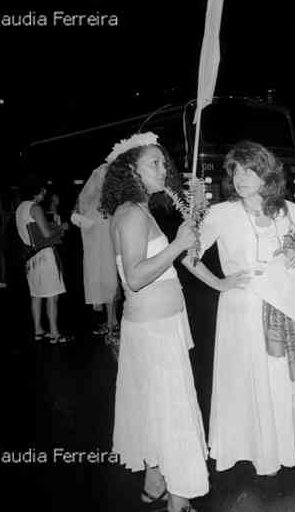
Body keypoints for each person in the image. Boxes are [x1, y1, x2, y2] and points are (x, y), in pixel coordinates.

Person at [188, 140, 295, 477]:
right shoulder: (221, 214)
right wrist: (219, 283)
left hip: (288, 302)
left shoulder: (287, 210)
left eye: (249, 171)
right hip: (244, 310)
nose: (241, 178)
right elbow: (188, 255)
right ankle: (261, 446)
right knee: (255, 377)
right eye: (236, 171)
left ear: (267, 174)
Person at [100, 132, 208, 512]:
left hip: (159, 325)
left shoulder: (138, 210)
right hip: (155, 330)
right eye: (154, 163)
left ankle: (155, 484)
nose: (164, 169)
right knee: (173, 411)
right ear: (132, 170)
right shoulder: (132, 214)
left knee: (157, 409)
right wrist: (177, 245)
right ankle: (180, 499)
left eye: (163, 162)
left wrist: (218, 280)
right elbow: (134, 277)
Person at [15, 179, 70, 343]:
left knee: (36, 294)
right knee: (52, 295)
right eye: (43, 190)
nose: (44, 193)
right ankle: (54, 333)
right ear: (37, 191)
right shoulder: (35, 207)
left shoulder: (20, 207)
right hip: (44, 256)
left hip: (30, 257)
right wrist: (61, 228)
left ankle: (38, 330)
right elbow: (46, 234)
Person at [72, 164, 119, 339]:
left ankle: (112, 323)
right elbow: (77, 214)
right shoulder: (91, 202)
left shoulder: (111, 200)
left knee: (109, 282)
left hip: (108, 247)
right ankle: (111, 321)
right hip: (96, 249)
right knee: (102, 281)